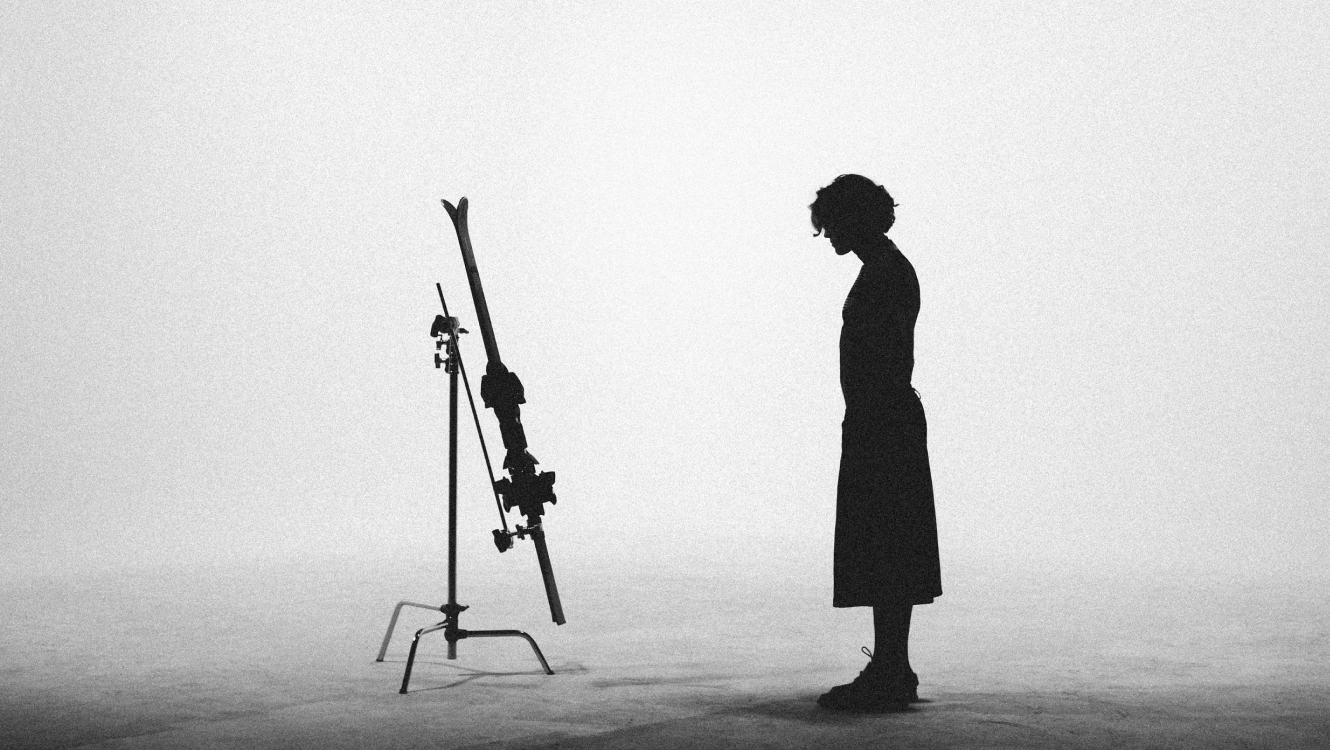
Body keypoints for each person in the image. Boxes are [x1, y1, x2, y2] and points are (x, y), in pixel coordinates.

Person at [810, 174, 943, 712]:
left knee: (887, 546)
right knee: (887, 547)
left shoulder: (886, 272)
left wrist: (869, 418)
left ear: (856, 218)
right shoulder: (884, 267)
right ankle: (893, 666)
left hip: (882, 422)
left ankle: (891, 669)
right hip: (880, 419)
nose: (827, 234)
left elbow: (882, 356)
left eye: (833, 222)